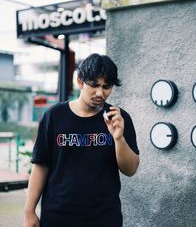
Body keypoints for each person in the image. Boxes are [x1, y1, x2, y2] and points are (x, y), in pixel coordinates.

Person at [24, 53, 140, 227]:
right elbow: (41, 165)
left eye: (106, 87)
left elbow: (130, 169)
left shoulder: (118, 119)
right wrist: (29, 211)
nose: (100, 93)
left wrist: (119, 138)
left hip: (104, 217)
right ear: (80, 82)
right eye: (94, 85)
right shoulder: (54, 116)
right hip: (58, 215)